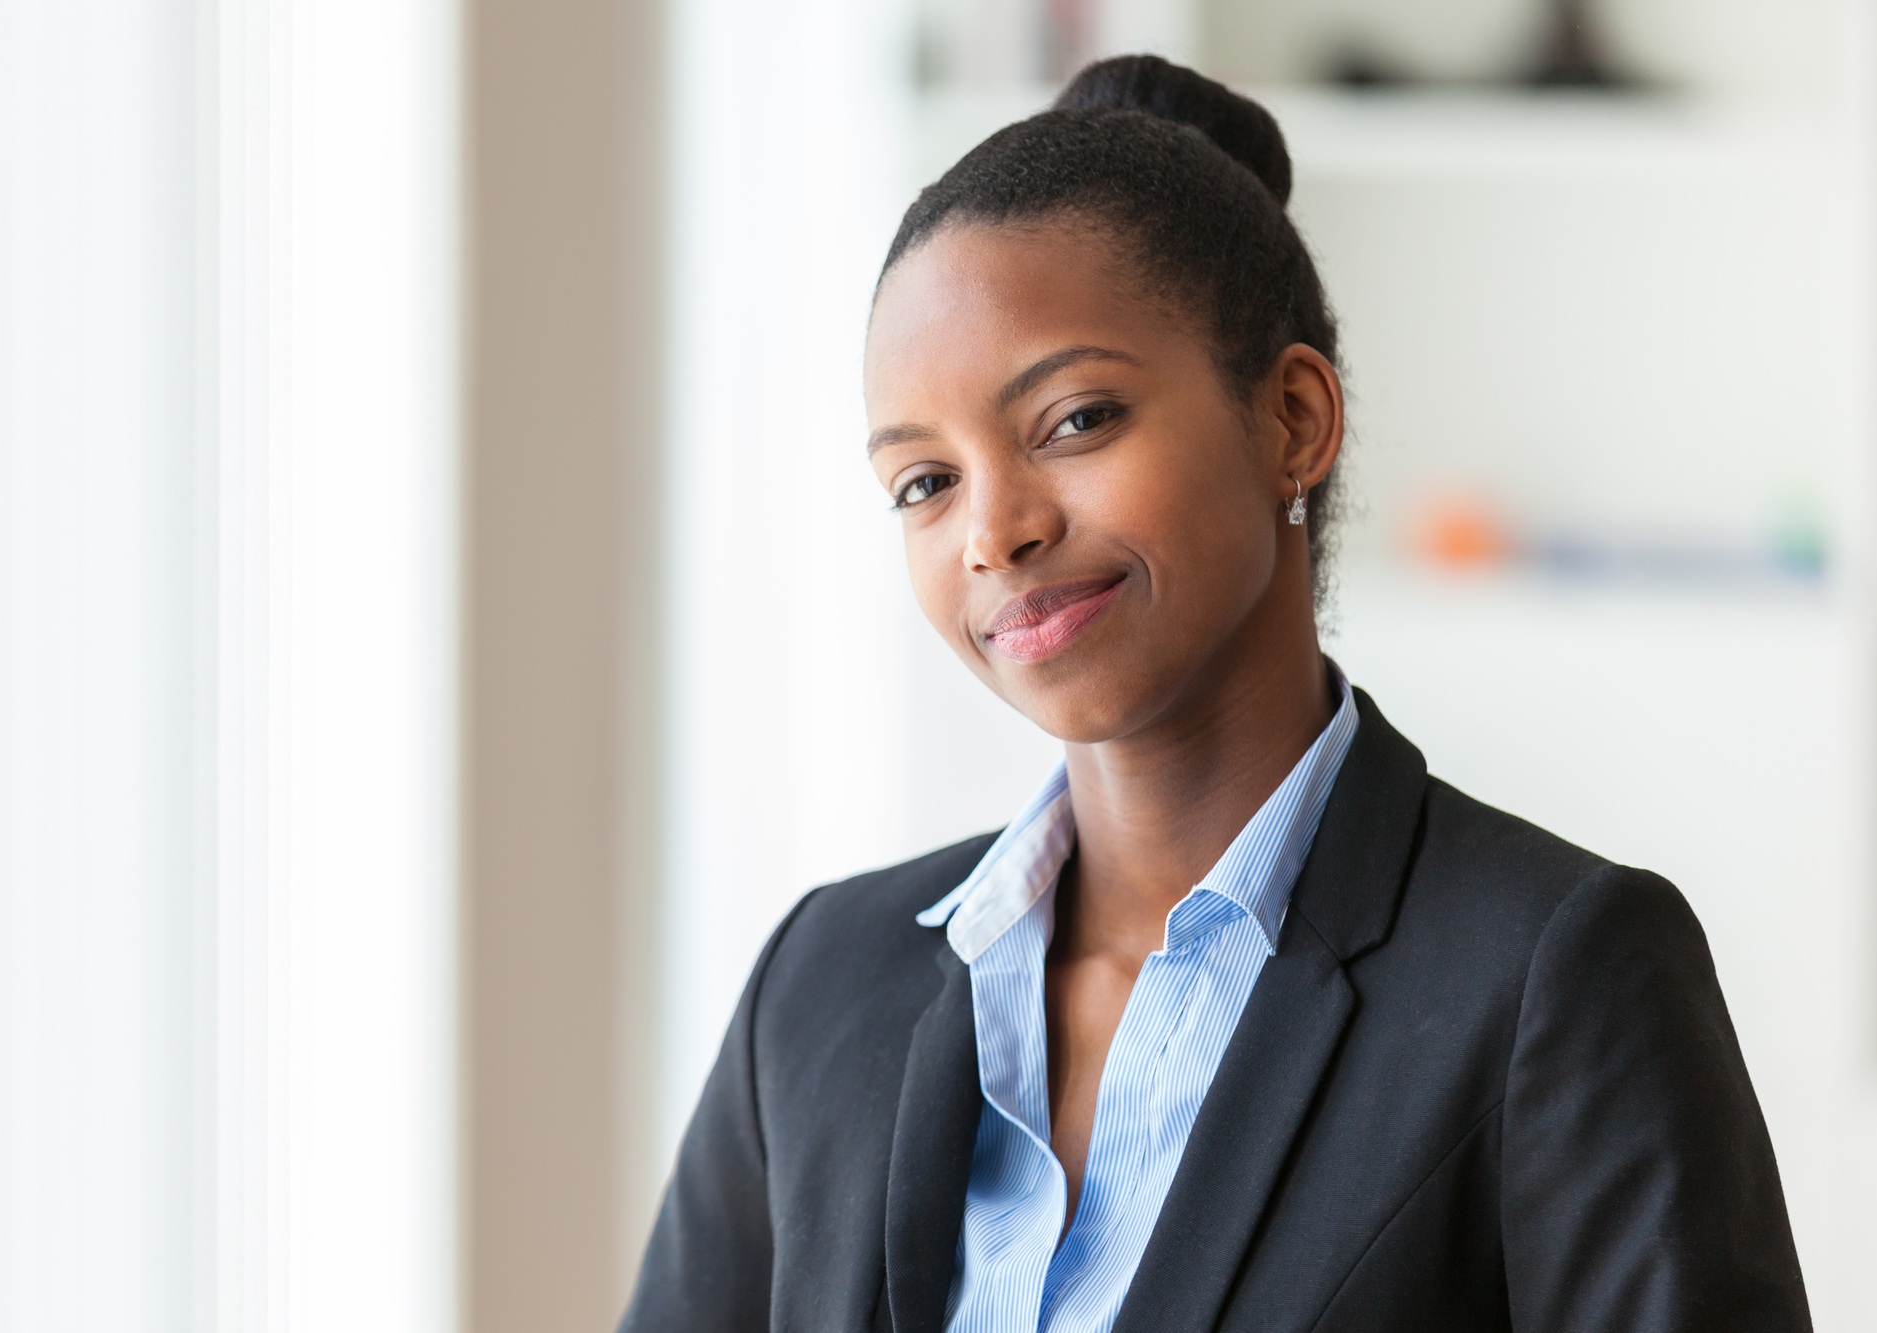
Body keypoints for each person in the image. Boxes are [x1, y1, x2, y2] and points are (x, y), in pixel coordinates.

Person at [621, 55, 1810, 1333]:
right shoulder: (818, 986)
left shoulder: (1551, 975)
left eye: (1075, 419)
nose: (992, 531)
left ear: (1292, 419)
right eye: (924, 483)